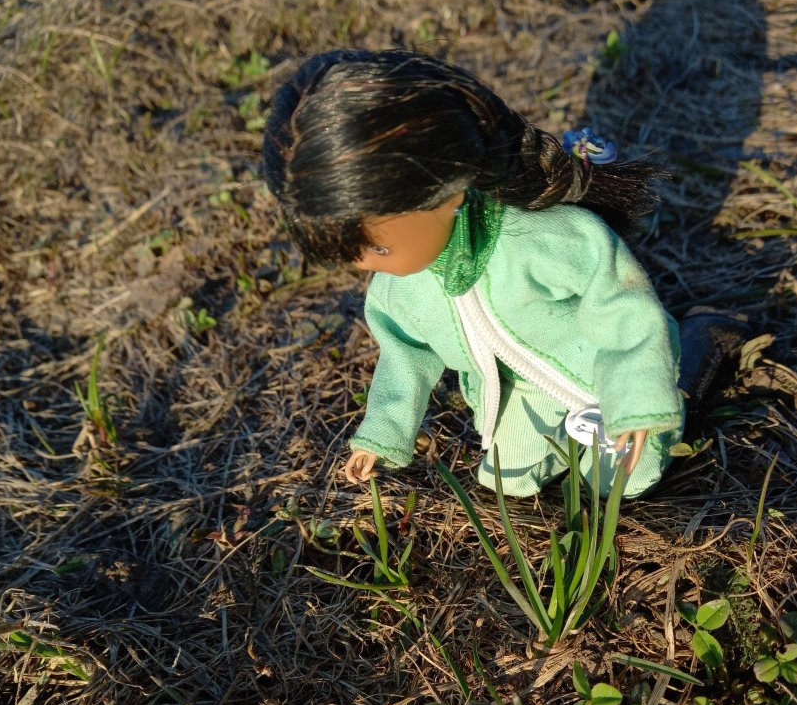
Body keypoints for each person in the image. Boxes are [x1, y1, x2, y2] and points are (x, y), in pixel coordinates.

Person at [263, 48, 687, 499]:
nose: (364, 265)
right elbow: (404, 355)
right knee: (506, 483)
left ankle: (676, 395)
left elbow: (625, 311)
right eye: (347, 253)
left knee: (619, 484)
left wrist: (638, 402)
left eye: (377, 246)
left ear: (448, 191)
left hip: (606, 373)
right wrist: (383, 433)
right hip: (520, 392)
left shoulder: (541, 238)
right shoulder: (399, 288)